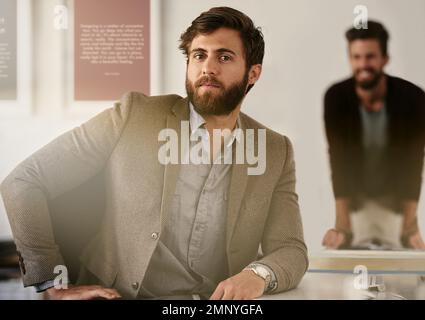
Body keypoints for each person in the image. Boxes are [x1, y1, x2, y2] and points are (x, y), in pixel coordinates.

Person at [1, 7, 307, 300]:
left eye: (224, 57)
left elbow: (291, 248)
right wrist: (53, 283)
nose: (208, 68)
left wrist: (258, 274)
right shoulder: (134, 115)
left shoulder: (273, 150)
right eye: (199, 55)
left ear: (253, 73)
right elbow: (23, 182)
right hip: (117, 296)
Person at [322, 21, 425, 250]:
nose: (363, 64)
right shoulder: (336, 97)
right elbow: (338, 160)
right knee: (345, 266)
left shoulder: (414, 99)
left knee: (405, 271)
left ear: (385, 58)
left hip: (395, 204)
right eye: (356, 57)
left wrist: (409, 228)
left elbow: (414, 162)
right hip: (356, 203)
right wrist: (342, 226)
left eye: (370, 57)